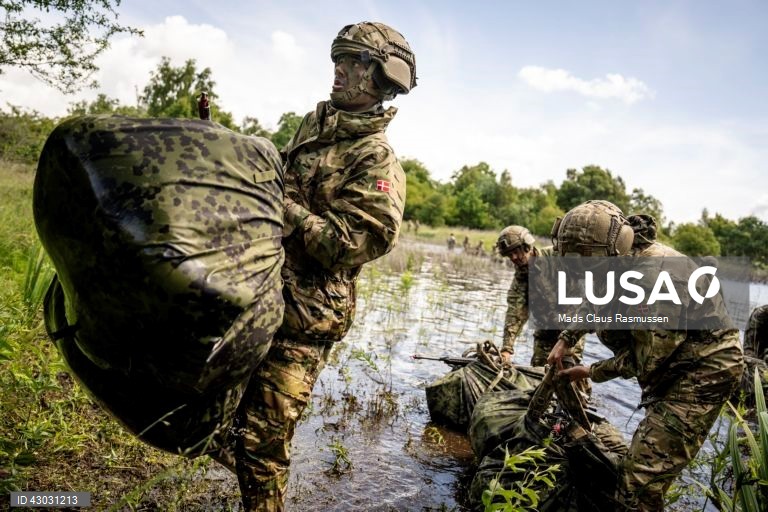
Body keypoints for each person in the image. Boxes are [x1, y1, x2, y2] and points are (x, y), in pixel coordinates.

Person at [228, 21, 416, 511]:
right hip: (259, 292)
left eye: (353, 62)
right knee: (229, 419)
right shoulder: (314, 130)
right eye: (339, 59)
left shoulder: (378, 162)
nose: (339, 70)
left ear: (380, 78)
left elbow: (349, 243)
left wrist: (280, 206)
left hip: (305, 320)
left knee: (262, 445)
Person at [547, 200, 743, 511]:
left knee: (639, 481)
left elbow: (647, 360)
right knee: (638, 468)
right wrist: (566, 338)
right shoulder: (619, 256)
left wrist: (590, 371)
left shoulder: (656, 280)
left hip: (703, 372)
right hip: (670, 359)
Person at [496, 225, 586, 366]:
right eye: (509, 254)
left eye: (516, 251)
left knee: (566, 372)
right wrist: (507, 349)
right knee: (539, 374)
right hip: (544, 333)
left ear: (526, 245)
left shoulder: (557, 257)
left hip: (570, 330)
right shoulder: (521, 278)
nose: (513, 257)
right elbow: (515, 312)